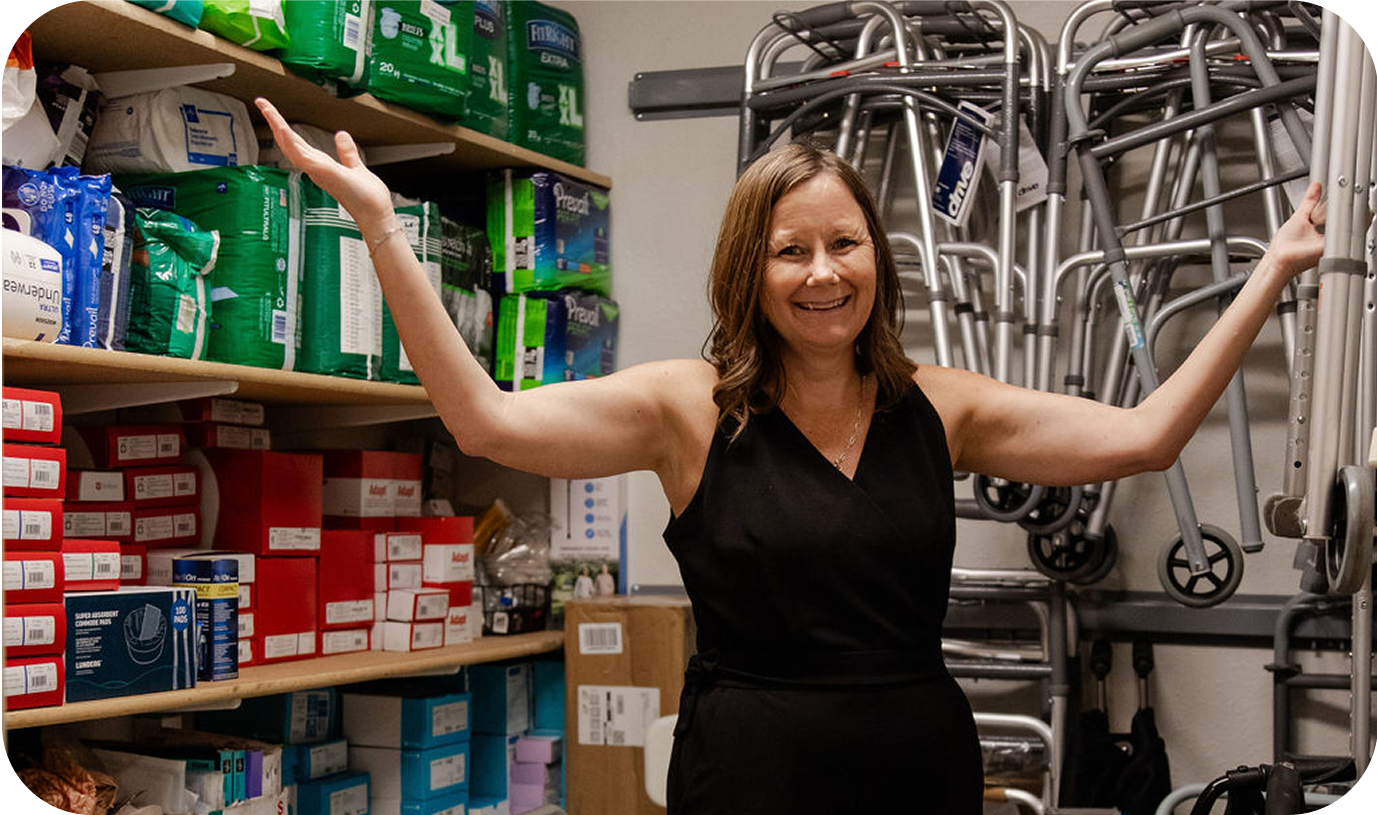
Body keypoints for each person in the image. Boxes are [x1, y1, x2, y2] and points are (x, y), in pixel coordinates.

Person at [254, 97, 1327, 813]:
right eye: (792, 249)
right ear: (751, 271)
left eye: (844, 243)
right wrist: (384, 230)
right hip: (750, 776)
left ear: (878, 261)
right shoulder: (688, 408)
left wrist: (1271, 272)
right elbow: (486, 422)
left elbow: (1145, 438)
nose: (824, 272)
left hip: (918, 766)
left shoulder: (941, 408)